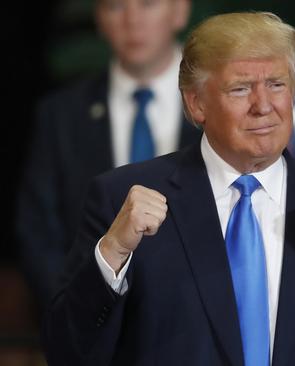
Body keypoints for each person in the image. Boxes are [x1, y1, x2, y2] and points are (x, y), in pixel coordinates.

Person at [43, 12, 295, 366]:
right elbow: (70, 353)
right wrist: (112, 253)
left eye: (277, 84)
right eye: (240, 89)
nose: (263, 106)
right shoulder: (121, 200)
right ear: (196, 103)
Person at [16, 0, 200, 312]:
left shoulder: (226, 106)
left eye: (148, 4)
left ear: (180, 10)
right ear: (99, 20)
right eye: (115, 6)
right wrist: (81, 313)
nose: (132, 20)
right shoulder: (61, 114)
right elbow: (38, 234)